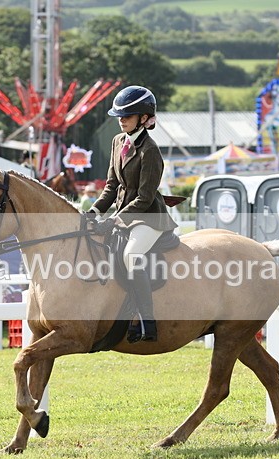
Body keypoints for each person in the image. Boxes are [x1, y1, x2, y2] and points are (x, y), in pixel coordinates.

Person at [86, 85, 178, 343]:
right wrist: (93, 212)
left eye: (127, 115)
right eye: (120, 115)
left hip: (148, 217)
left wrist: (115, 219)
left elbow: (145, 197)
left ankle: (147, 321)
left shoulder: (150, 151)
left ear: (145, 118)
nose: (121, 120)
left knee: (131, 255)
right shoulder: (118, 142)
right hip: (125, 214)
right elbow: (111, 186)